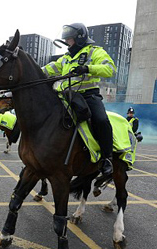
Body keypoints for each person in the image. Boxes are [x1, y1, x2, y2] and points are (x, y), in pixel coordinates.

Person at [42, 23, 116, 176]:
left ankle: (107, 158)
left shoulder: (94, 52)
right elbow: (49, 69)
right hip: (67, 96)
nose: (68, 43)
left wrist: (88, 68)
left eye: (70, 39)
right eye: (67, 40)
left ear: (80, 38)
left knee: (101, 120)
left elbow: (110, 69)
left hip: (88, 96)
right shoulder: (66, 58)